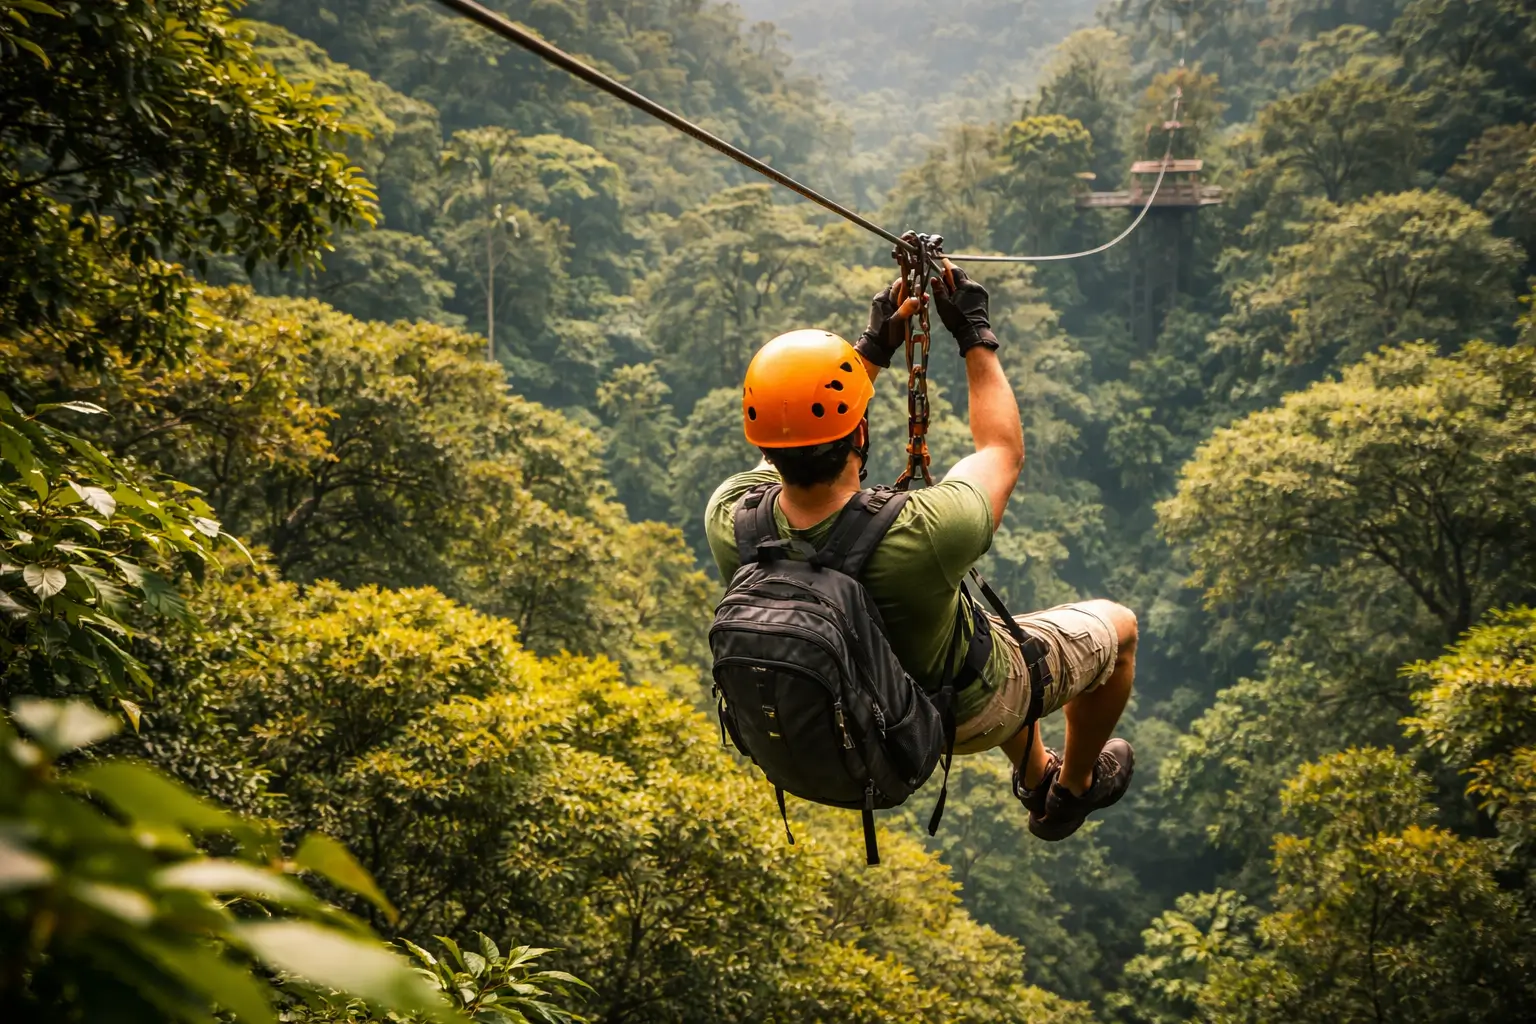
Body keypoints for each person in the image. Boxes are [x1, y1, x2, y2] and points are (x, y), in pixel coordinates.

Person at [703, 264, 1138, 840]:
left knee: (970, 627)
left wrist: (871, 350)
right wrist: (974, 333)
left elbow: (793, 432)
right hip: (961, 714)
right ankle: (1072, 789)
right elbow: (1001, 449)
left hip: (853, 717)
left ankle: (1035, 772)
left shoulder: (732, 520)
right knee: (1118, 628)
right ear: (859, 433)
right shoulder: (927, 532)